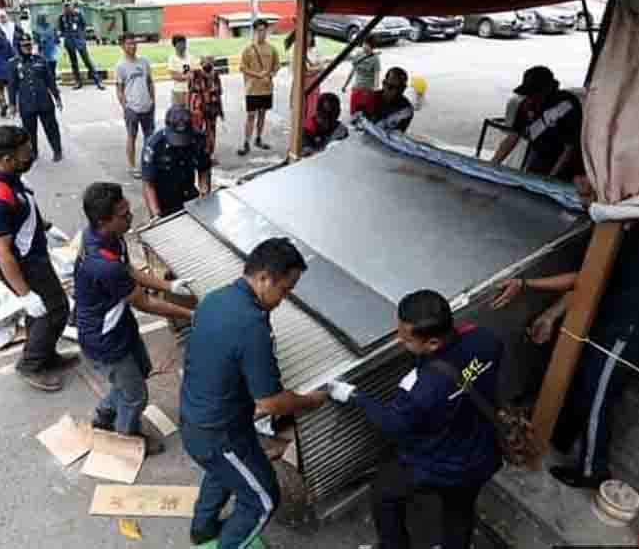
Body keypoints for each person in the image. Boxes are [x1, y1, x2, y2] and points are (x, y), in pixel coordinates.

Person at [490, 176, 639, 490]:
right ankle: (561, 435)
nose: (581, 200)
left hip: (632, 329)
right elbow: (591, 279)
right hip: (614, 318)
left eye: (587, 193)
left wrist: (526, 285)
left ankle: (593, 469)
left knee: (598, 392)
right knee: (585, 380)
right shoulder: (618, 228)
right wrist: (552, 314)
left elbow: (582, 278)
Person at [328, 290, 503, 549]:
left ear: (432, 343)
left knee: (384, 494)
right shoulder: (486, 339)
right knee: (459, 510)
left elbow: (394, 424)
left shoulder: (422, 389)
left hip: (444, 463)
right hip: (482, 452)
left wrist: (354, 396)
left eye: (406, 339)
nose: (399, 340)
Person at [181, 237, 327, 549]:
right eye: (284, 290)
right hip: (218, 433)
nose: (284, 299)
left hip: (198, 418)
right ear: (263, 278)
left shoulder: (215, 298)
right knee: (263, 498)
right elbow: (270, 402)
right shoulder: (251, 325)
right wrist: (310, 401)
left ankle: (202, 530)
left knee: (223, 472)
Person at [75, 181, 197, 450]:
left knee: (141, 370)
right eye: (123, 215)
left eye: (128, 210)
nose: (130, 217)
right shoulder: (102, 264)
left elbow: (128, 270)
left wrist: (169, 286)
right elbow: (144, 303)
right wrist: (190, 313)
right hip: (104, 338)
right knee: (135, 397)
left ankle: (105, 414)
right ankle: (127, 437)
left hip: (120, 325)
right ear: (103, 220)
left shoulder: (108, 238)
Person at [0, 125, 74, 392]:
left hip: (34, 256)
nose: (31, 156)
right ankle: (30, 365)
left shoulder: (11, 176)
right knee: (53, 311)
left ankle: (45, 355)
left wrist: (46, 226)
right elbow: (1, 251)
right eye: (26, 153)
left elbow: (23, 210)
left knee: (48, 310)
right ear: (7, 158)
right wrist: (24, 294)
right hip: (22, 266)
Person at [490, 66, 582, 182]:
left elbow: (569, 148)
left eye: (534, 92)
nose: (530, 97)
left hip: (567, 164)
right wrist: (493, 164)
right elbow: (513, 137)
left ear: (548, 89)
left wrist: (551, 178)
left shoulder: (567, 105)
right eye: (528, 93)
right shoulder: (526, 104)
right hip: (540, 156)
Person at [141, 105, 212, 220]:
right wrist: (156, 215)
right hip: (162, 199)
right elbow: (148, 185)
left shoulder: (199, 139)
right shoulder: (154, 145)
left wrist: (205, 196)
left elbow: (204, 170)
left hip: (188, 194)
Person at [9, 34, 63, 163]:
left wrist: (57, 97)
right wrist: (12, 104)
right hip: (26, 103)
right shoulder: (13, 64)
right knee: (29, 131)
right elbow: (12, 85)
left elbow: (50, 80)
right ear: (19, 47)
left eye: (29, 45)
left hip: (44, 101)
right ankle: (33, 152)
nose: (27, 48)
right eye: (24, 45)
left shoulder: (40, 60)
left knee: (51, 128)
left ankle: (57, 150)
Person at [115, 33, 156, 179]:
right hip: (132, 108)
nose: (132, 46)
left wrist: (152, 101)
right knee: (131, 137)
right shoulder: (120, 66)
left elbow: (150, 82)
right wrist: (125, 106)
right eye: (129, 44)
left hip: (147, 106)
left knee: (150, 138)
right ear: (122, 46)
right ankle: (132, 166)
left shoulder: (144, 62)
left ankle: (147, 163)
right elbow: (119, 89)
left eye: (134, 43)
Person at [238, 19, 279, 156]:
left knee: (262, 114)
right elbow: (242, 68)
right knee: (251, 115)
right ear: (255, 31)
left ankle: (258, 138)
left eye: (263, 30)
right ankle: (246, 142)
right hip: (252, 89)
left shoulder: (272, 49)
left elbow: (276, 66)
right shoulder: (248, 50)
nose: (261, 33)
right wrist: (258, 75)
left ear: (267, 31)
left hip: (267, 88)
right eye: (259, 30)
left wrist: (271, 75)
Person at [57, 0, 103, 90]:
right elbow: (61, 29)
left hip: (79, 42)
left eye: (68, 6)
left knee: (87, 61)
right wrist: (63, 36)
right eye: (65, 7)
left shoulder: (78, 14)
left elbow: (83, 25)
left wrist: (81, 36)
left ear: (72, 6)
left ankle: (98, 81)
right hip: (69, 42)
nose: (66, 8)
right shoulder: (62, 17)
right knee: (74, 63)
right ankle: (78, 82)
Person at [188, 55, 224, 160]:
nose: (208, 65)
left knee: (211, 132)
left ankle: (209, 154)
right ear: (201, 64)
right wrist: (188, 108)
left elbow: (218, 94)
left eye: (210, 62)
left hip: (212, 108)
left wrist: (221, 110)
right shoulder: (195, 75)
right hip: (198, 108)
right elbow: (190, 92)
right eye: (205, 62)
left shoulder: (216, 76)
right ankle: (196, 154)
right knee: (197, 131)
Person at [360, 67, 415, 133]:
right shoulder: (369, 98)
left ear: (404, 88)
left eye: (400, 88)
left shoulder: (407, 110)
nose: (394, 92)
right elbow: (358, 122)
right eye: (390, 87)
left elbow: (396, 135)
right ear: (384, 84)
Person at [301, 92, 348, 156]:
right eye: (324, 118)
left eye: (331, 119)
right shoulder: (308, 128)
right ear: (318, 113)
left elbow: (346, 152)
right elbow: (306, 154)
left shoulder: (341, 129)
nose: (327, 123)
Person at [344, 37, 380, 117]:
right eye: (364, 43)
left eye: (367, 44)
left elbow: (377, 75)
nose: (364, 46)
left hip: (368, 90)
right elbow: (352, 71)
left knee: (367, 115)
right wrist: (345, 85)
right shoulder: (358, 55)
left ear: (372, 46)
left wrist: (375, 88)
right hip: (357, 89)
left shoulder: (375, 59)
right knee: (353, 114)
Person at [33, 14, 60, 82]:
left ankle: (53, 85)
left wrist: (57, 43)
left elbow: (57, 39)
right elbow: (36, 41)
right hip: (42, 53)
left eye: (48, 17)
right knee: (44, 70)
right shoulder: (36, 29)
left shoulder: (52, 27)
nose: (48, 19)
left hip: (52, 51)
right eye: (46, 18)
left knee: (52, 69)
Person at [168, 34, 192, 108]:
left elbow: (193, 71)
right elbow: (174, 75)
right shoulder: (172, 59)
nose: (183, 45)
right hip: (178, 91)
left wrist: (183, 75)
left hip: (190, 90)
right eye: (181, 43)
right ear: (175, 45)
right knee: (180, 114)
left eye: (184, 43)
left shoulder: (190, 57)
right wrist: (186, 76)